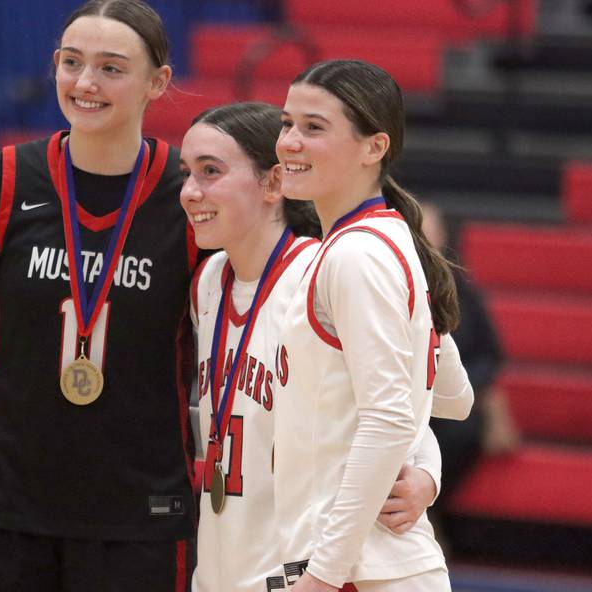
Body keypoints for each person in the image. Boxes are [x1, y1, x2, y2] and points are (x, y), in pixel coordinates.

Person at [0, 2, 200, 590]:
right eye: (71, 62)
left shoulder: (190, 198)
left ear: (158, 82)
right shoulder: (2, 180)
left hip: (139, 519)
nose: (85, 83)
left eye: (111, 68)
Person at [180, 101, 473, 592]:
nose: (190, 192)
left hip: (307, 570)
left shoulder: (332, 270)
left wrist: (427, 470)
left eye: (210, 172)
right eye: (186, 173)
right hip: (224, 565)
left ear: (274, 183)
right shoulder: (208, 281)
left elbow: (441, 391)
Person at [272, 60, 471, 592]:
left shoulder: (358, 255)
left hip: (362, 570)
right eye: (287, 123)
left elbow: (388, 418)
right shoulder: (384, 239)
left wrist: (322, 576)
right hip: (366, 563)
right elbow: (450, 395)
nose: (290, 141)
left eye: (314, 127)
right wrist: (424, 471)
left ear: (373, 147)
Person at [421, 202, 520, 509]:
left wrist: (469, 386)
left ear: (443, 235)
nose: (422, 238)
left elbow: (489, 354)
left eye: (429, 230)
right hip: (403, 400)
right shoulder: (385, 284)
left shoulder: (461, 290)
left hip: (452, 398)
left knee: (462, 430)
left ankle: (431, 506)